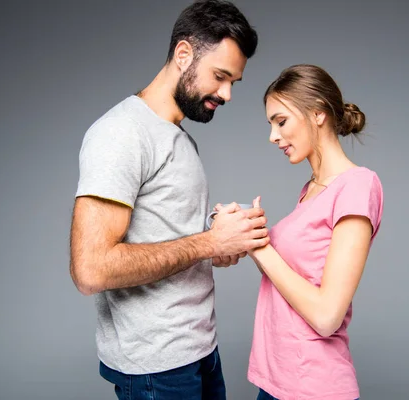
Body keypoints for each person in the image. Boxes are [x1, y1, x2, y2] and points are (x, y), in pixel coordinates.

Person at [68, 1, 267, 399]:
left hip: (199, 351)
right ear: (183, 54)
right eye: (220, 76)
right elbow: (90, 270)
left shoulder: (179, 137)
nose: (227, 94)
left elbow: (169, 238)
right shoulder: (122, 133)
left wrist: (218, 241)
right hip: (156, 369)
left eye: (234, 83)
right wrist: (210, 242)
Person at [245, 64, 383, 400]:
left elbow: (326, 316)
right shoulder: (312, 189)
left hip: (313, 387)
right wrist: (252, 235)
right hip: (277, 381)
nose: (273, 136)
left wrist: (262, 250)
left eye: (281, 121)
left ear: (317, 113)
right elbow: (291, 280)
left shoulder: (357, 185)